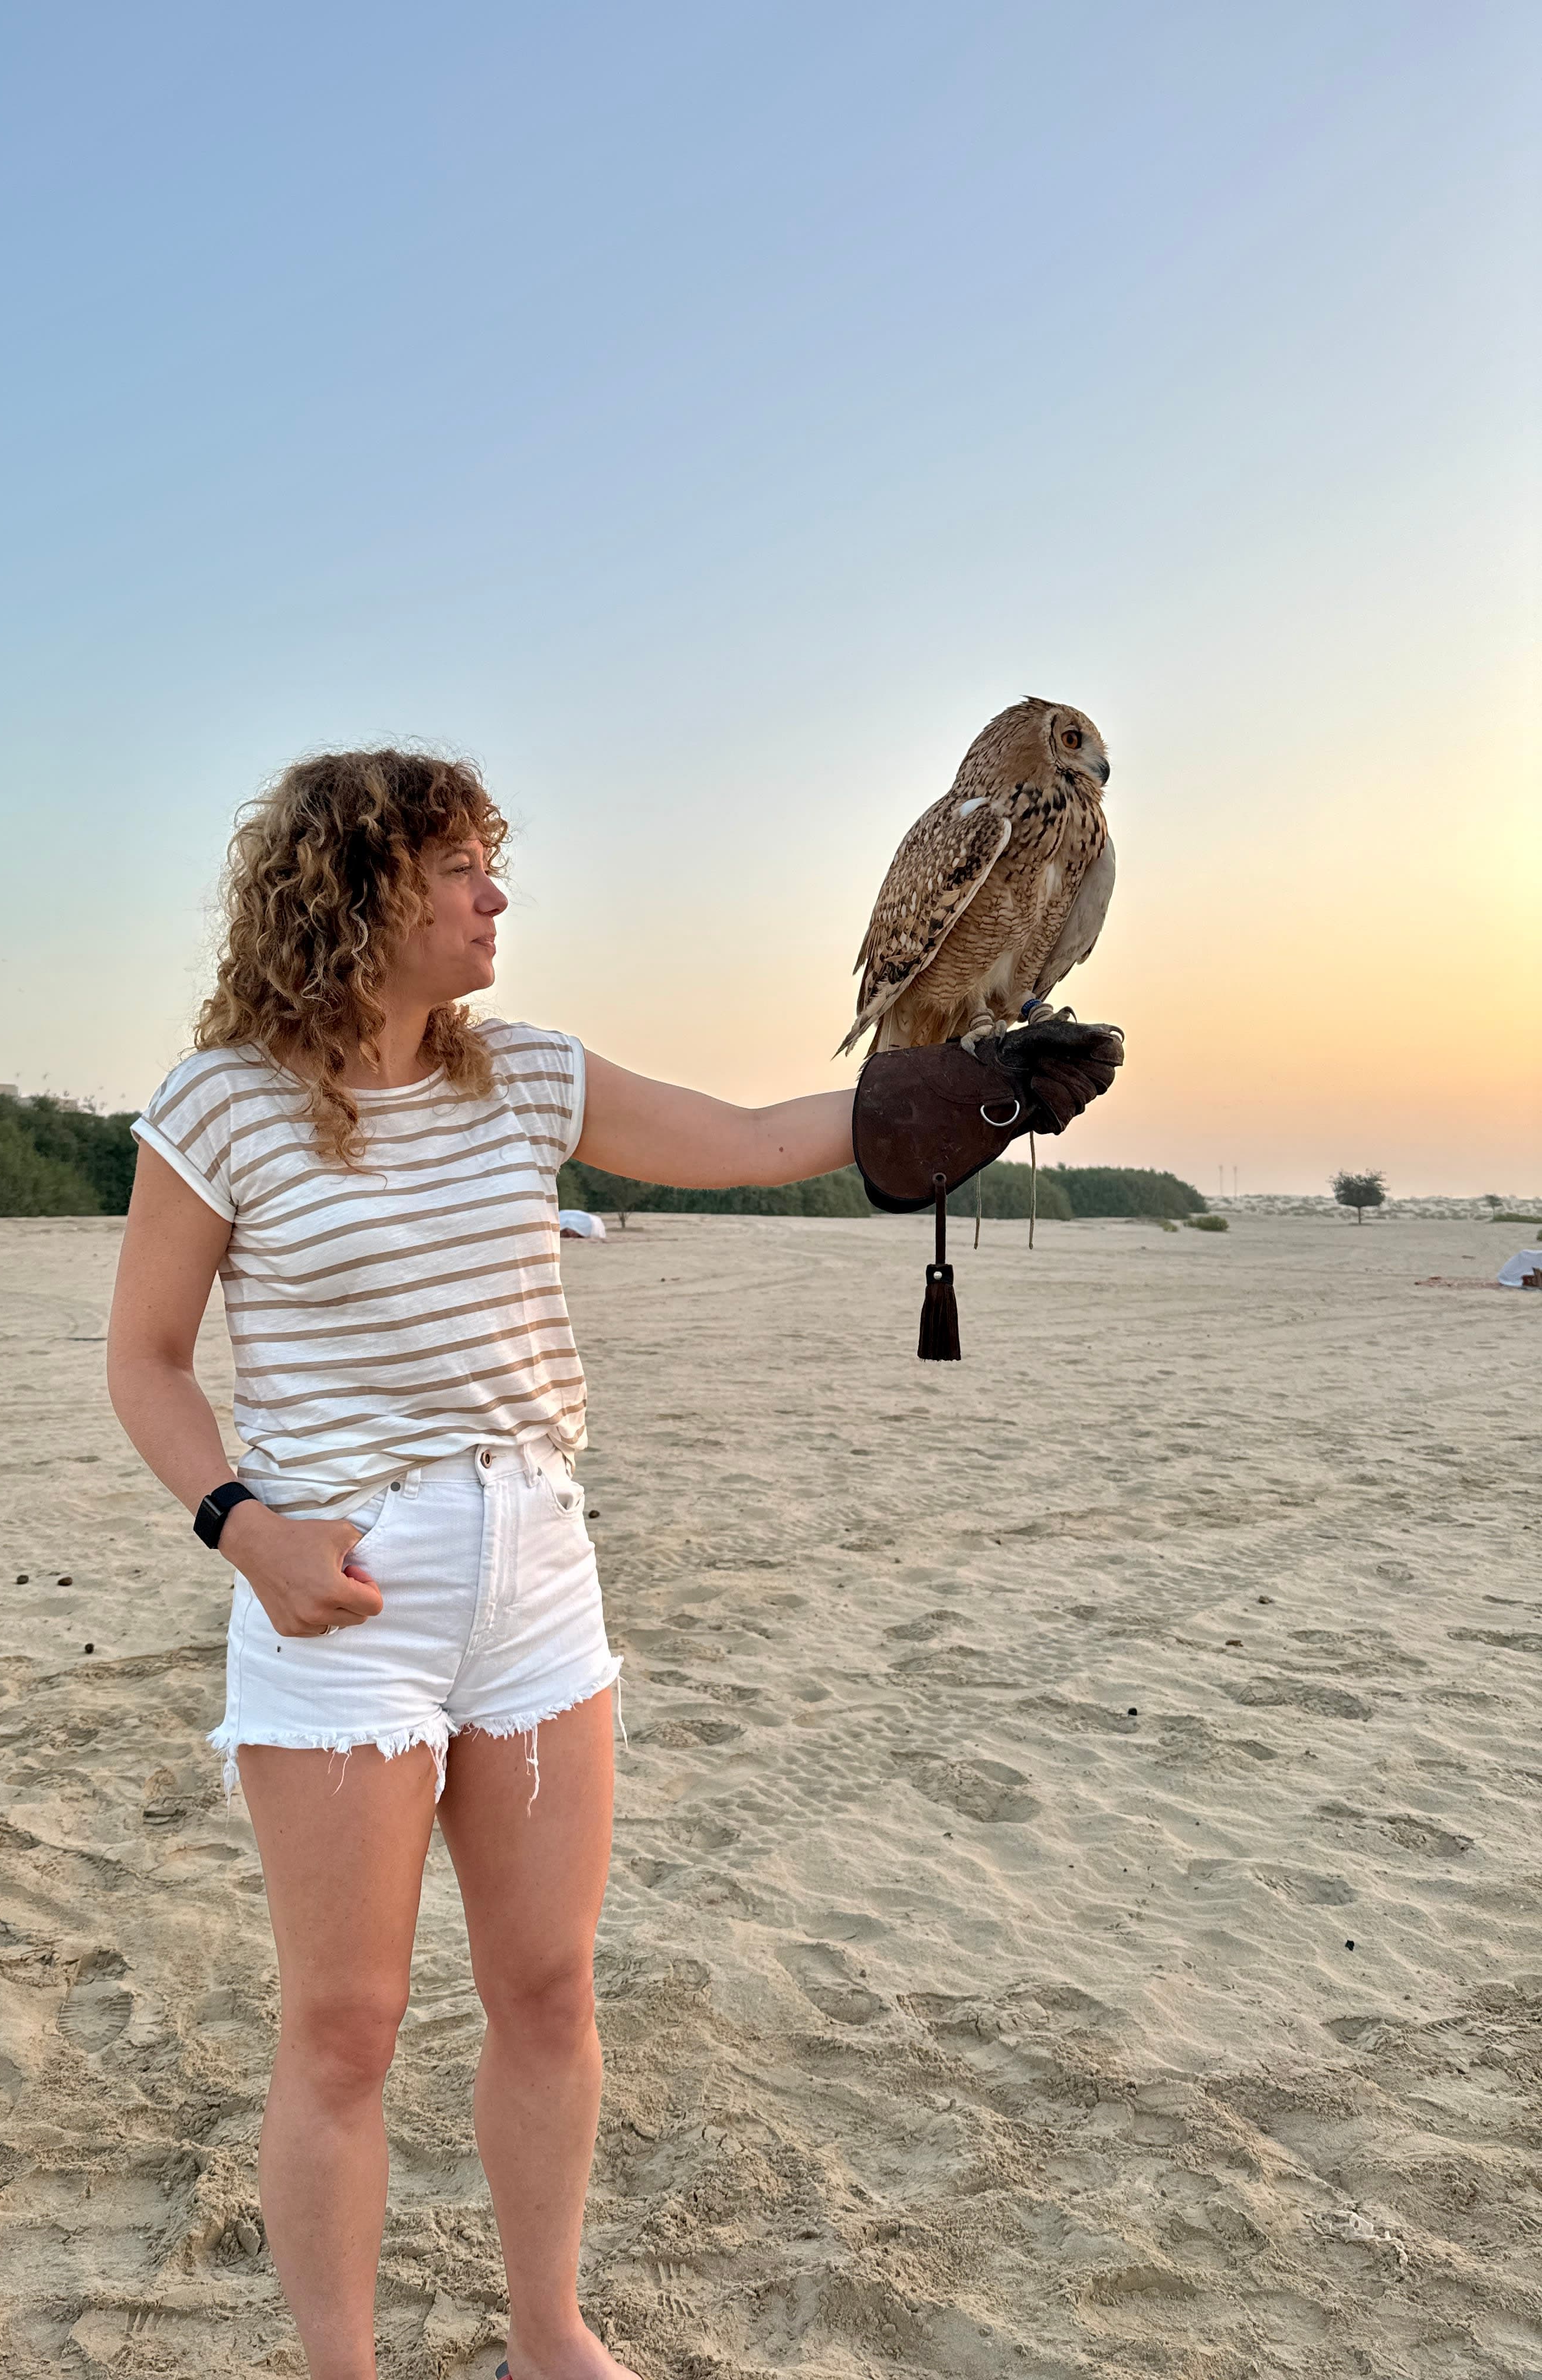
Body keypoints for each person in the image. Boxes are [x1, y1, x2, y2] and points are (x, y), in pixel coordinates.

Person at [106, 748, 1120, 2380]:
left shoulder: (528, 1074)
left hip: (535, 1570)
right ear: (357, 890)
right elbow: (147, 1361)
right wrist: (246, 1529)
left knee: (550, 1991)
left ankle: (546, 2336)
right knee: (346, 2029)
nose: (495, 895)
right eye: (460, 869)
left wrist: (980, 1087)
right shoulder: (220, 1102)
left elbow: (754, 1138)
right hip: (340, 1590)